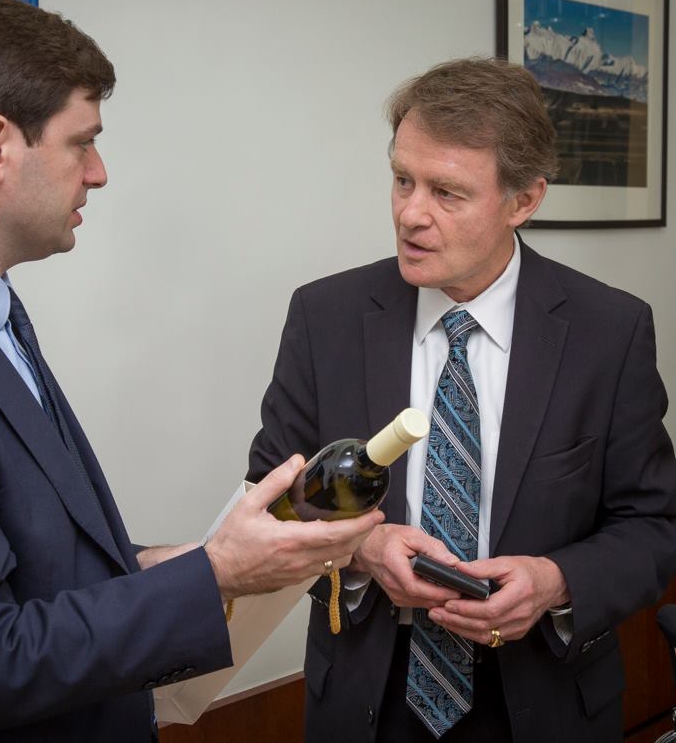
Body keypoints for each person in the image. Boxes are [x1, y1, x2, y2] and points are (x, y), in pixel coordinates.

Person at [0, 0, 383, 743]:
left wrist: (171, 562)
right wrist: (216, 576)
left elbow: (14, 557)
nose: (98, 172)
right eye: (81, 143)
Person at [247, 57, 676, 743]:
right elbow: (271, 502)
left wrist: (556, 580)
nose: (410, 214)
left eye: (446, 193)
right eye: (402, 180)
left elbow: (653, 525)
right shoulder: (324, 318)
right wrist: (364, 549)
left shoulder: (610, 332)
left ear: (523, 201)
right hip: (367, 698)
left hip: (547, 701)